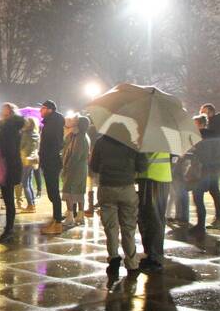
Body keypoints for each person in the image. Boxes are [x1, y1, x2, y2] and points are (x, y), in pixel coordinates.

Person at [89, 124, 147, 273]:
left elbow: (94, 166)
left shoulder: (101, 142)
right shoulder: (133, 143)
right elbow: (142, 167)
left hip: (106, 188)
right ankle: (132, 262)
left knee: (110, 226)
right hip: (127, 188)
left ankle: (113, 257)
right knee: (128, 227)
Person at [190, 114, 220, 232]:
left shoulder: (199, 136)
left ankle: (200, 224)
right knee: (215, 192)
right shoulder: (213, 135)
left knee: (197, 196)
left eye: (194, 123)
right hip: (213, 168)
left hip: (203, 170)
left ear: (200, 123)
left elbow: (201, 153)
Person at [0, 103, 24, 244]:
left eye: (4, 110)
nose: (2, 112)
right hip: (12, 166)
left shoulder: (8, 129)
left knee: (8, 199)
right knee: (8, 199)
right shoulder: (13, 127)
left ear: (9, 112)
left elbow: (6, 148)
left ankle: (9, 230)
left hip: (7, 167)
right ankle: (9, 229)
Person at [137, 151, 172, 271]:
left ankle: (154, 256)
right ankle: (153, 253)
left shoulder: (149, 135)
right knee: (156, 216)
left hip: (151, 176)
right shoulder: (162, 135)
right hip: (161, 176)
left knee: (152, 216)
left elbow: (142, 157)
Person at [38, 100, 65, 235]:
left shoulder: (53, 123)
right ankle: (56, 219)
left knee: (53, 191)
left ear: (50, 110)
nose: (40, 111)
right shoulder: (50, 122)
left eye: (42, 108)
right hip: (49, 161)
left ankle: (58, 222)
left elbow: (52, 143)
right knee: (52, 192)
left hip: (51, 161)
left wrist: (45, 157)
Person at [61, 115, 91, 227]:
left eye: (75, 123)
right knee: (79, 191)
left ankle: (70, 217)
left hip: (75, 168)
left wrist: (66, 168)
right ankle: (80, 215)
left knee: (69, 191)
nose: (72, 124)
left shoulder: (79, 137)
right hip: (81, 168)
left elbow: (75, 156)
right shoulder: (82, 136)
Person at [18, 116, 40, 212]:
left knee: (25, 183)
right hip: (32, 160)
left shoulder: (25, 134)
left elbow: (20, 146)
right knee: (29, 182)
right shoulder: (36, 134)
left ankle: (30, 205)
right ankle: (32, 204)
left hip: (25, 159)